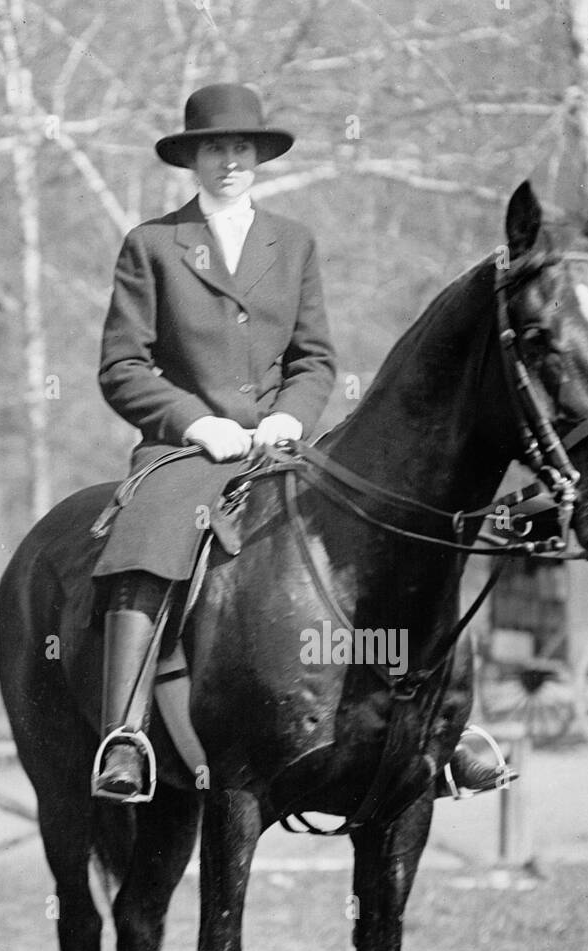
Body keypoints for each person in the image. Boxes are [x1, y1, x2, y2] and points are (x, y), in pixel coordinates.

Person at [92, 83, 510, 803]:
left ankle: (446, 727)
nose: (229, 161)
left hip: (282, 444)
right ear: (192, 158)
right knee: (147, 535)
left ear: (257, 156)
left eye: (240, 148)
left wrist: (290, 417)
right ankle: (124, 735)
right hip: (189, 451)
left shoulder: (295, 242)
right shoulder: (153, 245)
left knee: (401, 533)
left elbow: (315, 359)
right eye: (214, 148)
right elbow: (122, 366)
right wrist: (199, 423)